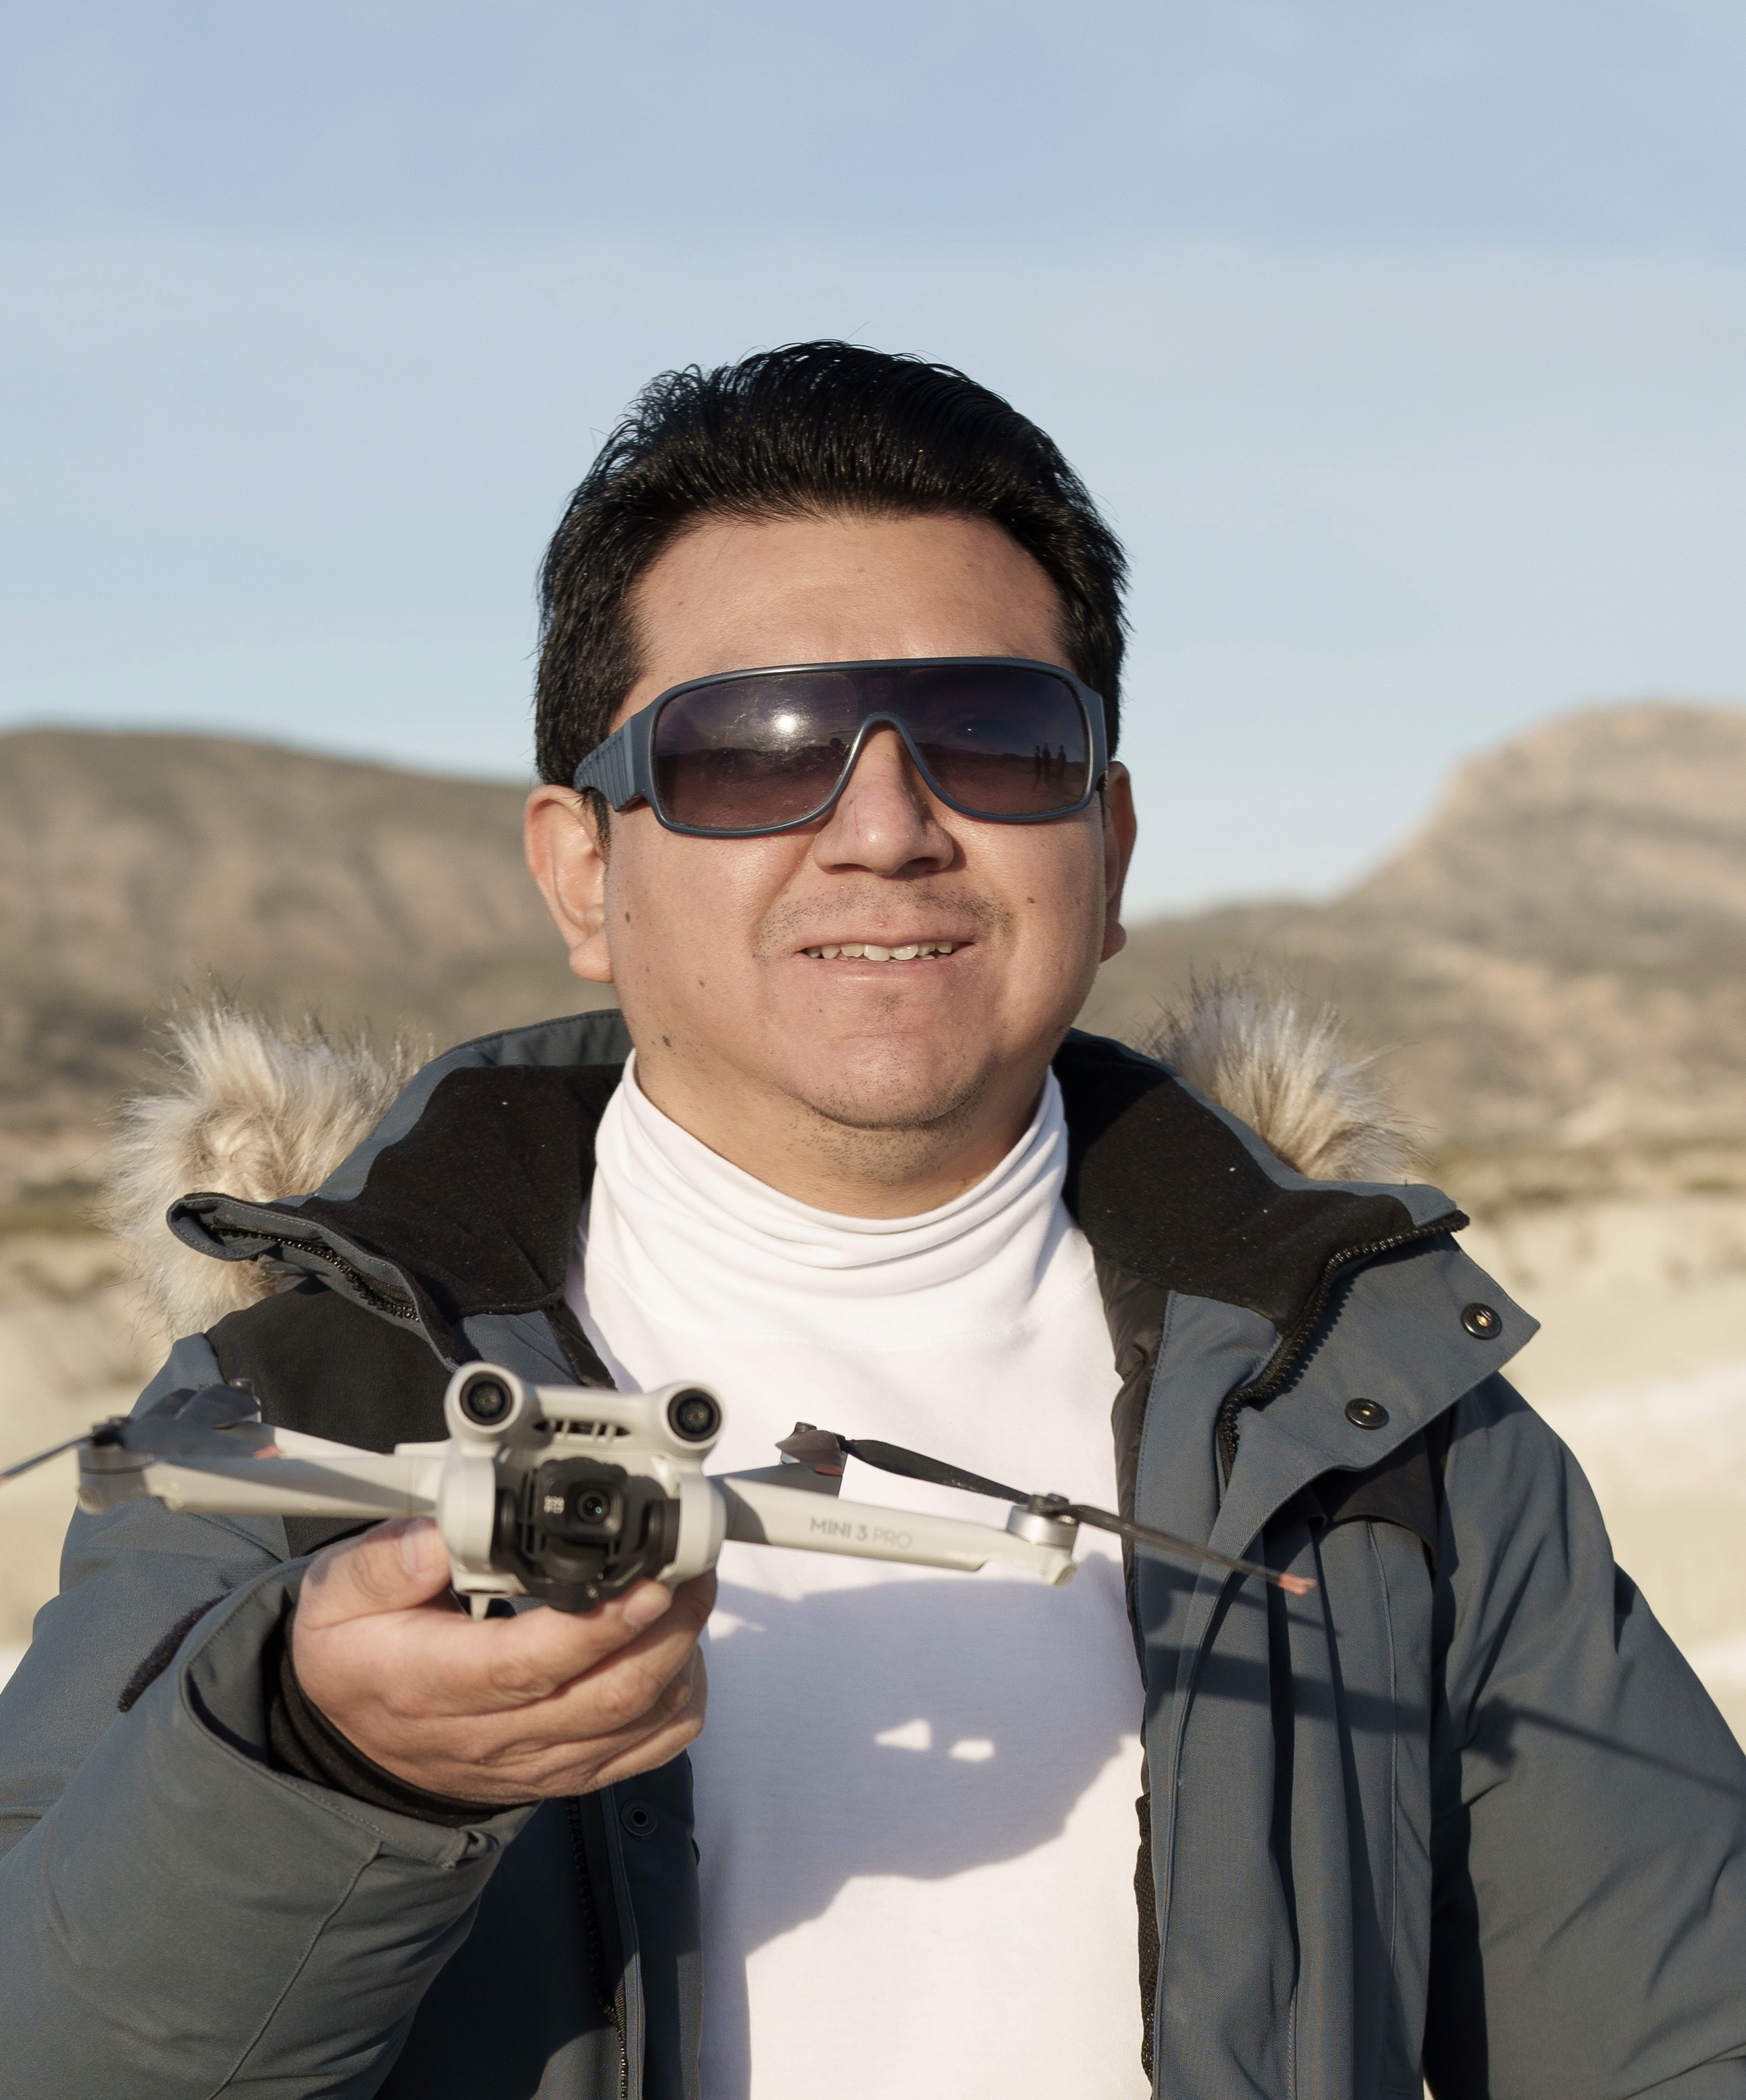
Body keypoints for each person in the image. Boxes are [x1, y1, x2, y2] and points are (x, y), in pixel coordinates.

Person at [1, 343, 1742, 2100]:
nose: (889, 828)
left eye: (995, 739)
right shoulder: (306, 1404)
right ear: (582, 871)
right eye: (749, 754)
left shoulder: (1374, 1419)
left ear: (1110, 846)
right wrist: (317, 1770)